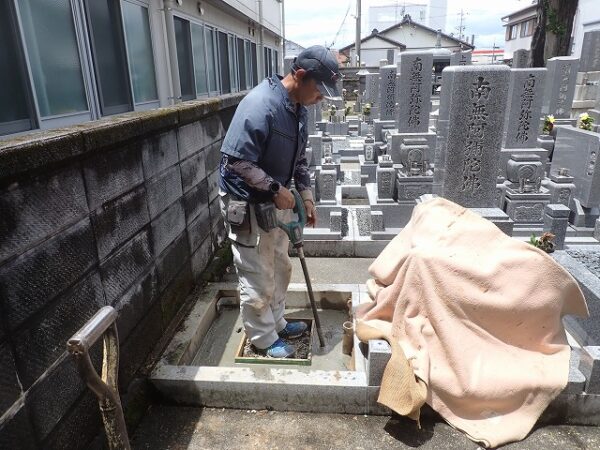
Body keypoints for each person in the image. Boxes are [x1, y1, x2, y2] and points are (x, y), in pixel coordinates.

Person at [219, 45, 341, 358]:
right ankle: (262, 337)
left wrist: (306, 195)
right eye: (320, 90)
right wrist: (275, 188)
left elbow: (300, 160)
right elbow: (235, 161)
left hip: (274, 199)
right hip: (246, 201)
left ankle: (277, 321)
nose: (321, 98)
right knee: (257, 271)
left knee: (279, 265)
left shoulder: (298, 108)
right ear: (300, 76)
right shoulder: (261, 105)